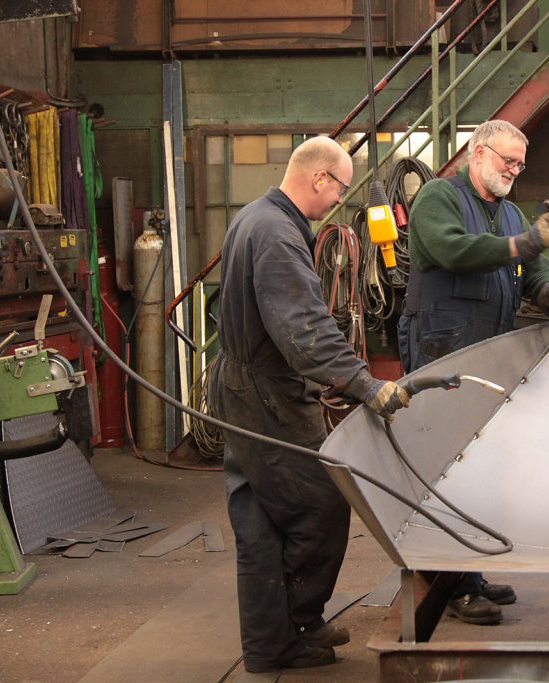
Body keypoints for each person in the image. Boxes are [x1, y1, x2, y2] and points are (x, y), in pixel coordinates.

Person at [209, 135, 410, 674]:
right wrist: (366, 385)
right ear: (320, 178)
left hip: (242, 384)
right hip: (263, 394)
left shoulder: (254, 217)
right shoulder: (276, 233)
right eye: (340, 189)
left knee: (260, 513)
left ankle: (278, 632)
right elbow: (304, 329)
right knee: (319, 501)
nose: (337, 202)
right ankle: (289, 629)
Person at [397, 119, 549, 625]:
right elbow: (454, 250)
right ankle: (446, 584)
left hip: (487, 353)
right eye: (506, 161)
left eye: (520, 164)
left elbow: (533, 268)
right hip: (442, 353)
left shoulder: (511, 211)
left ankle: (468, 574)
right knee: (444, 470)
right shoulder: (438, 198)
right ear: (478, 153)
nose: (514, 171)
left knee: (481, 467)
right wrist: (526, 243)